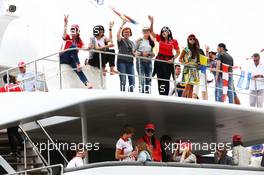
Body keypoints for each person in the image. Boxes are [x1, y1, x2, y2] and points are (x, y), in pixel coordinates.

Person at [148, 15, 180, 95]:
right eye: (162, 31)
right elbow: (151, 32)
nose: (163, 32)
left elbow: (178, 52)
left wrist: (173, 59)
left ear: (169, 32)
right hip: (159, 61)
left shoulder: (174, 41)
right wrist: (152, 22)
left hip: (168, 62)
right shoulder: (159, 38)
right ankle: (161, 94)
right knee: (160, 79)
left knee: (166, 79)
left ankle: (165, 95)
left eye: (165, 31)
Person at [60, 15, 92, 89]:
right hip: (64, 57)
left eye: (75, 29)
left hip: (72, 59)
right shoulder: (68, 37)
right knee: (73, 47)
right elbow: (64, 35)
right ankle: (78, 64)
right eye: (72, 29)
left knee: (79, 70)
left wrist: (89, 47)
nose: (73, 31)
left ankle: (86, 83)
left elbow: (84, 47)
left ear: (78, 31)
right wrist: (65, 24)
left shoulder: (79, 40)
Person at [1, 74, 24, 155]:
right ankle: (21, 145)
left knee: (11, 132)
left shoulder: (4, 88)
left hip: (10, 113)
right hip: (19, 112)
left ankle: (16, 148)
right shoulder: (18, 86)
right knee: (13, 131)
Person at [179, 34, 201, 98]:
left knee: (192, 86)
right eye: (190, 39)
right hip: (188, 68)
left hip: (194, 69)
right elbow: (180, 59)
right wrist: (185, 63)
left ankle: (189, 100)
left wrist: (199, 64)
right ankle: (182, 99)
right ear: (188, 40)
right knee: (188, 85)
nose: (192, 40)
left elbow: (198, 61)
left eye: (193, 39)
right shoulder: (185, 49)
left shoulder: (197, 50)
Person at [116, 20, 136, 92]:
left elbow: (134, 53)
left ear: (130, 33)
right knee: (123, 80)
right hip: (121, 62)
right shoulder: (121, 40)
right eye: (125, 32)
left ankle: (130, 96)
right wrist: (122, 24)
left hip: (130, 63)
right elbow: (118, 35)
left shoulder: (133, 43)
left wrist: (134, 54)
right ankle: (122, 94)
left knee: (132, 82)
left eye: (128, 32)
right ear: (123, 33)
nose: (127, 33)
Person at [135, 27, 155, 93]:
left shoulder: (151, 42)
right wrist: (141, 53)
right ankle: (141, 94)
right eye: (144, 31)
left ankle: (147, 94)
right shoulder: (139, 41)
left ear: (149, 32)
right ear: (142, 32)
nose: (146, 33)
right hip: (140, 62)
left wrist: (149, 54)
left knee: (148, 79)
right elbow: (134, 51)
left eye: (147, 31)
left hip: (149, 62)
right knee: (142, 80)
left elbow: (153, 54)